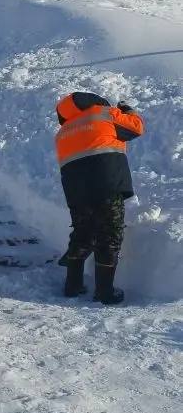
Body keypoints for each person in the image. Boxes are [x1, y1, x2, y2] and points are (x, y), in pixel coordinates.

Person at [55, 91, 144, 305]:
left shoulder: (63, 132)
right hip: (106, 184)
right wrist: (127, 110)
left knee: (82, 232)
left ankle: (72, 286)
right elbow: (135, 128)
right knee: (109, 234)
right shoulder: (104, 114)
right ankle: (105, 292)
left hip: (75, 190)